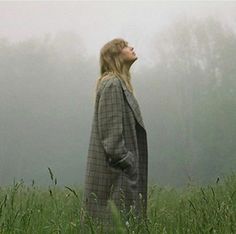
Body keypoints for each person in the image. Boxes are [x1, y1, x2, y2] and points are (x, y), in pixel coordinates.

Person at [82, 38, 148, 227]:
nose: (132, 47)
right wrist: (128, 161)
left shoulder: (119, 84)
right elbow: (111, 138)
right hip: (115, 176)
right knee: (113, 226)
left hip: (120, 174)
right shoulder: (112, 84)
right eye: (126, 46)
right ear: (115, 56)